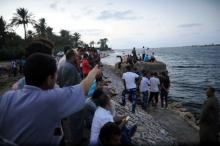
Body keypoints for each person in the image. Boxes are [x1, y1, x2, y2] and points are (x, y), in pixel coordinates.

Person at [0, 53, 100, 146]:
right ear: (49, 79)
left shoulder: (7, 97)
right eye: (55, 75)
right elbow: (83, 89)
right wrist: (94, 71)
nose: (56, 79)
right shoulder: (51, 99)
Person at [57, 49, 84, 146]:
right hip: (72, 98)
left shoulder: (62, 65)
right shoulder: (71, 68)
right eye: (76, 56)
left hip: (66, 97)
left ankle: (75, 139)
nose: (78, 58)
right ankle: (77, 141)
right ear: (72, 57)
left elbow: (59, 81)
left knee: (72, 122)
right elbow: (73, 86)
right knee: (75, 121)